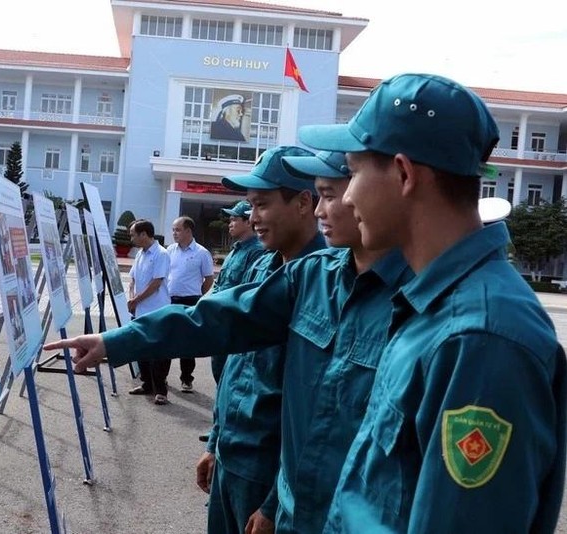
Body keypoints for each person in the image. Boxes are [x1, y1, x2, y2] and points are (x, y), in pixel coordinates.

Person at [44, 147, 413, 534]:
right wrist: (117, 343)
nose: (251, 218)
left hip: (284, 488)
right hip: (243, 462)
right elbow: (215, 325)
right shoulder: (298, 274)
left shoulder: (416, 302)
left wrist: (272, 502)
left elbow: (322, 422)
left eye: (333, 192)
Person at [299, 73, 566, 533]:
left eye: (355, 172)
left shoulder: (480, 338)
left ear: (404, 174)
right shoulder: (434, 305)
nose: (346, 196)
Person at [199, 145, 325, 534]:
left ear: (304, 203)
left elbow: (314, 411)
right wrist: (215, 442)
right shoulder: (261, 265)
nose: (252, 218)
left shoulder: (323, 286)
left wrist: (274, 503)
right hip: (230, 457)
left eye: (262, 205)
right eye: (250, 207)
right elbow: (238, 366)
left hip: (267, 474)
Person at [210, 200, 265, 384]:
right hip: (220, 321)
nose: (230, 224)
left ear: (248, 222)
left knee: (231, 379)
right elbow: (220, 284)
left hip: (234, 325)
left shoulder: (257, 252)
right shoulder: (235, 250)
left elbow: (249, 291)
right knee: (219, 374)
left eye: (234, 220)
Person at [126, 219, 172, 405]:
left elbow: (156, 283)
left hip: (157, 309)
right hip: (140, 310)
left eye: (133, 234)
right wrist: (132, 299)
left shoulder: (161, 254)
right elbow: (132, 279)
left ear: (144, 234)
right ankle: (147, 384)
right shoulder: (140, 254)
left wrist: (136, 300)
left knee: (158, 351)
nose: (131, 238)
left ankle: (161, 390)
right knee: (141, 348)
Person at [167, 216, 214, 392]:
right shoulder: (170, 250)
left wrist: (199, 296)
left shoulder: (202, 253)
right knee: (166, 339)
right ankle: (161, 377)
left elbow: (209, 279)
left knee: (187, 342)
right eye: (173, 229)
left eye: (177, 230)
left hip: (191, 301)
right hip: (170, 300)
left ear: (188, 231)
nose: (174, 233)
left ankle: (186, 379)